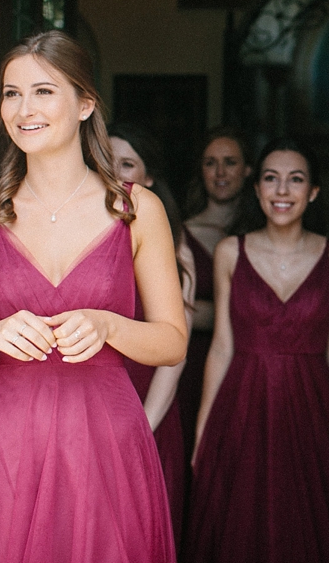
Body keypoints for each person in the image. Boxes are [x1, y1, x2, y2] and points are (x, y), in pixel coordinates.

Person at [0, 31, 189, 563]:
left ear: (85, 103)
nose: (23, 108)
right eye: (11, 93)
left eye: (43, 91)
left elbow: (172, 342)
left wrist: (109, 327)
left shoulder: (137, 209)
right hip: (4, 443)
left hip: (106, 440)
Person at [186, 139, 329, 563]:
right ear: (257, 189)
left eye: (296, 180)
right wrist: (201, 433)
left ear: (314, 192)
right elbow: (222, 348)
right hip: (241, 404)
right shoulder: (231, 252)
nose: (282, 191)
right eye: (271, 178)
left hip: (314, 408)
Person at [109, 122, 196, 543]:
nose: (114, 171)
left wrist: (144, 426)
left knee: (139, 533)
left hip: (150, 409)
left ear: (148, 179)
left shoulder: (176, 249)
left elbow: (174, 357)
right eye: (105, 160)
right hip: (95, 404)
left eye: (127, 164)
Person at [178, 127, 256, 457]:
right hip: (192, 361)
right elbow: (168, 310)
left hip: (249, 365)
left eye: (230, 162)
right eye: (211, 163)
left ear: (248, 170)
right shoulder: (180, 233)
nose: (220, 172)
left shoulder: (264, 234)